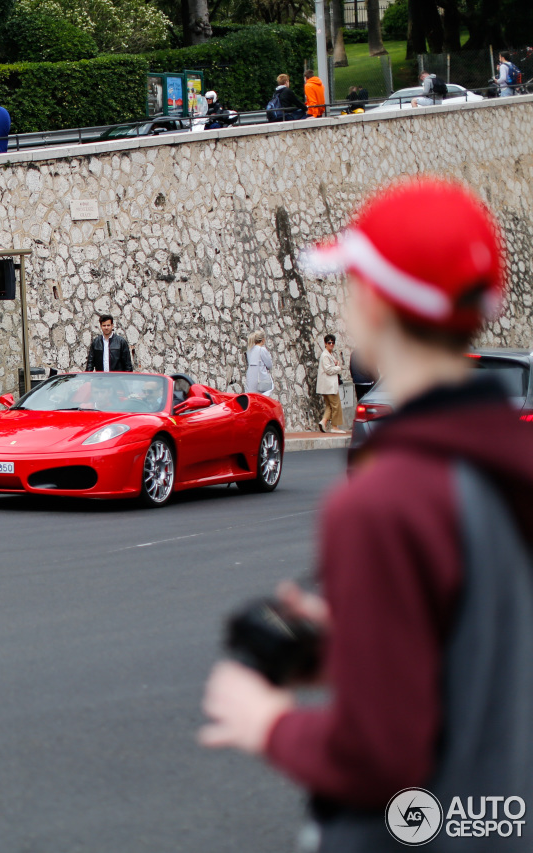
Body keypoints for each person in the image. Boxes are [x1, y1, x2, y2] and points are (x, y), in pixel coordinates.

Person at [199, 178, 531, 851]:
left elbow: (381, 753)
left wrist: (266, 722)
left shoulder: (384, 502)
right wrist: (371, 641)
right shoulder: (507, 464)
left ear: (376, 302)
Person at [316, 333, 345, 433]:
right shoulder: (325, 356)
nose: (331, 344)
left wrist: (335, 364)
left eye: (333, 343)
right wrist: (338, 367)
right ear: (325, 344)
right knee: (336, 405)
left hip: (327, 386)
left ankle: (323, 422)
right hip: (329, 386)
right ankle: (334, 426)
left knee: (329, 405)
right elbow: (328, 370)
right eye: (329, 343)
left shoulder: (329, 355)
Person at [245, 329, 273, 396]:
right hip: (261, 379)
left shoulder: (249, 351)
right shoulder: (262, 350)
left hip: (250, 378)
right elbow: (269, 365)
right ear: (263, 340)